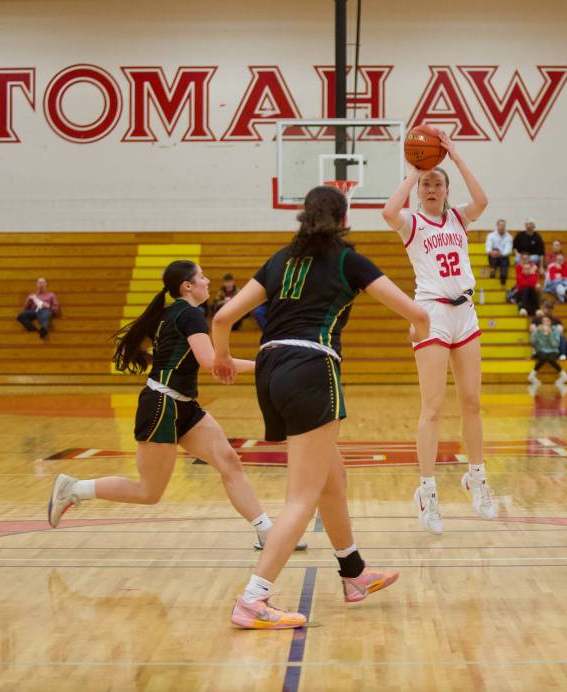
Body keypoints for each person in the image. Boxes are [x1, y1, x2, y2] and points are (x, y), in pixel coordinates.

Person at [212, 185, 431, 629]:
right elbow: (417, 312)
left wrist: (220, 358)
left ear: (303, 216)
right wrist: (417, 330)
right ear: (343, 218)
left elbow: (220, 318)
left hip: (270, 368)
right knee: (301, 498)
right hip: (311, 365)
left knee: (332, 477)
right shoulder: (348, 260)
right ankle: (253, 598)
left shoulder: (280, 260)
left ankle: (354, 573)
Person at [47, 261, 288, 558]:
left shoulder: (175, 313)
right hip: (163, 404)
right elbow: (210, 362)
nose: (208, 280)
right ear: (187, 286)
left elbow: (207, 363)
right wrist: (265, 364)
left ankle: (266, 532)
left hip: (183, 405)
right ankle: (74, 488)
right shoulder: (190, 315)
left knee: (229, 462)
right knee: (149, 492)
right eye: (202, 277)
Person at [382, 130, 498, 535]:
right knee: (432, 406)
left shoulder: (458, 218)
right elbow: (386, 210)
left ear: (447, 190)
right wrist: (415, 171)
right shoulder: (411, 221)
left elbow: (482, 200)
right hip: (431, 313)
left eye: (437, 182)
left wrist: (455, 156)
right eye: (426, 184)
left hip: (465, 311)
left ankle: (477, 478)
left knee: (472, 401)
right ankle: (427, 491)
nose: (432, 188)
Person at [528, 316, 567, 390]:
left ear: (550, 322)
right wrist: (536, 332)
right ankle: (532, 376)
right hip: (541, 350)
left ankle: (563, 375)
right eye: (544, 321)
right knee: (543, 357)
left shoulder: (555, 330)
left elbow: (555, 344)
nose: (546, 323)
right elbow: (533, 342)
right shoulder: (538, 330)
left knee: (550, 358)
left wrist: (550, 334)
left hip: (553, 350)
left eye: (547, 321)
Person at [485, 219, 513, 285]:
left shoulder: (509, 237)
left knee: (505, 260)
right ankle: (493, 270)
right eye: (500, 225)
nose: (502, 227)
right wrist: (492, 252)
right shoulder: (490, 235)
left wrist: (501, 253)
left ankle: (503, 276)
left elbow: (508, 249)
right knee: (493, 254)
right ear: (497, 226)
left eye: (503, 225)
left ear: (505, 226)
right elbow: (488, 248)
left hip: (503, 257)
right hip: (493, 256)